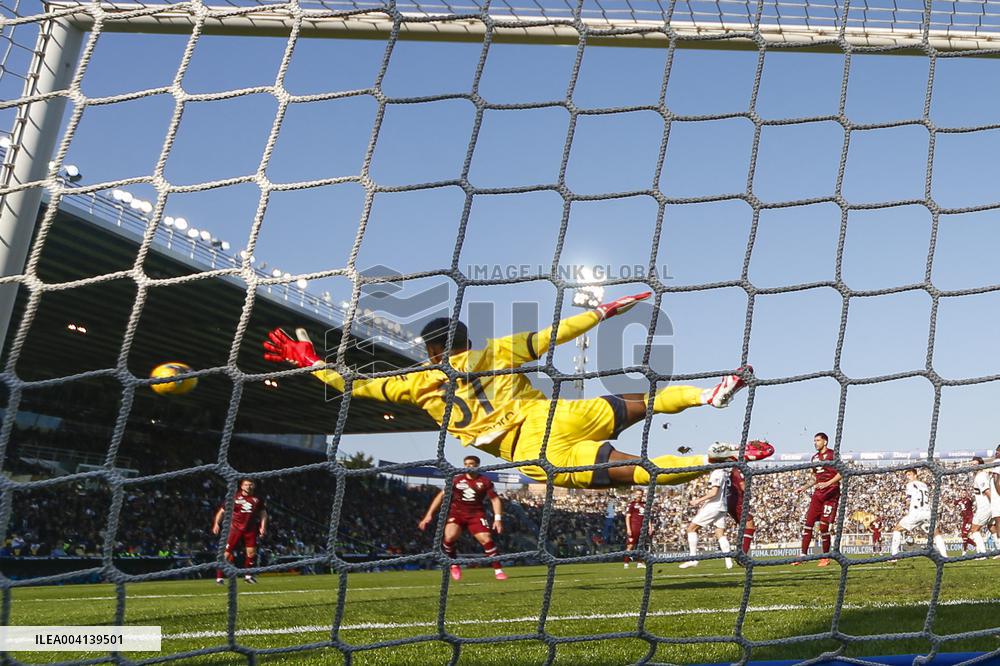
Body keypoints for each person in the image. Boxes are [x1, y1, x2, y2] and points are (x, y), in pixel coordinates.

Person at [264, 292, 773, 490]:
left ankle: (716, 457)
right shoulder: (492, 352)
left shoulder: (415, 383)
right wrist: (601, 312)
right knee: (642, 400)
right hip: (556, 416)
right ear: (465, 340)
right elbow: (551, 337)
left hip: (529, 451)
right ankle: (709, 396)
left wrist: (311, 362)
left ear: (429, 351)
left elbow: (350, 385)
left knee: (642, 472)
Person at [418, 455, 507, 581]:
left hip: (476, 514)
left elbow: (495, 499)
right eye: (466, 464)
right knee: (449, 537)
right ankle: (454, 564)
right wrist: (429, 515)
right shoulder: (456, 480)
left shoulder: (485, 482)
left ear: (477, 465)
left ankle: (498, 570)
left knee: (486, 539)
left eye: (472, 464)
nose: (469, 466)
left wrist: (498, 518)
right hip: (457, 513)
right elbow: (440, 496)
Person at [679, 453, 736, 570]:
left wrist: (698, 501)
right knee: (720, 533)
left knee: (691, 528)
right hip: (722, 506)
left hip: (715, 506)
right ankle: (728, 561)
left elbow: (714, 493)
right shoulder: (725, 473)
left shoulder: (717, 473)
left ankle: (693, 558)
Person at [794, 433, 841, 567]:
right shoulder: (814, 458)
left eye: (818, 440)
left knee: (824, 527)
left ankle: (825, 557)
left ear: (825, 442)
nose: (815, 443)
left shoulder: (833, 455)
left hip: (831, 493)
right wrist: (803, 487)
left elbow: (841, 472)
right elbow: (815, 477)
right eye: (814, 440)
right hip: (818, 494)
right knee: (808, 524)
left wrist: (827, 483)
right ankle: (803, 555)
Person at [212, 479, 267, 584]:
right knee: (226, 554)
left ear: (254, 486)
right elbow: (222, 511)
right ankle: (219, 578)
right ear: (241, 486)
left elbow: (263, 513)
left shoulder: (257, 499)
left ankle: (248, 576)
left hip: (250, 529)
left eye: (250, 484)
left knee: (251, 553)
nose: (248, 486)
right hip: (235, 529)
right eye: (246, 485)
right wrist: (216, 524)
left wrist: (263, 526)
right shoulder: (234, 498)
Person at [890, 469, 948, 561]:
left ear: (915, 475)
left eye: (909, 474)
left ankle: (894, 556)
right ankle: (945, 556)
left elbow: (908, 499)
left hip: (916, 512)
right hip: (927, 512)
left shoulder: (910, 485)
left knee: (897, 529)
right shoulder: (924, 485)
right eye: (907, 475)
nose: (908, 477)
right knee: (936, 533)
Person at [727, 465, 758, 559]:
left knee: (744, 527)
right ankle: (742, 554)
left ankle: (741, 552)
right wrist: (750, 494)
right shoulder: (737, 470)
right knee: (750, 525)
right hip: (738, 502)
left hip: (730, 500)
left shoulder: (729, 470)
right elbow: (742, 485)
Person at [624, 489, 654, 568]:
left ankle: (639, 562)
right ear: (635, 494)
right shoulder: (631, 504)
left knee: (641, 546)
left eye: (640, 494)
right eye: (637, 494)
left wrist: (650, 527)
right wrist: (628, 529)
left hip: (643, 528)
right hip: (634, 528)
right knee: (630, 546)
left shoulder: (645, 504)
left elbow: (647, 517)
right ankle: (626, 563)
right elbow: (627, 517)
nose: (639, 495)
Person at [968, 457, 991, 554]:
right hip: (988, 506)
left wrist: (995, 504)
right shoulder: (980, 475)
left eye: (975, 465)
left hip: (985, 507)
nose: (973, 467)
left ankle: (982, 553)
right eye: (972, 464)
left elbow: (987, 491)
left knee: (974, 529)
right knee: (992, 528)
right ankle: (998, 552)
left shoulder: (980, 476)